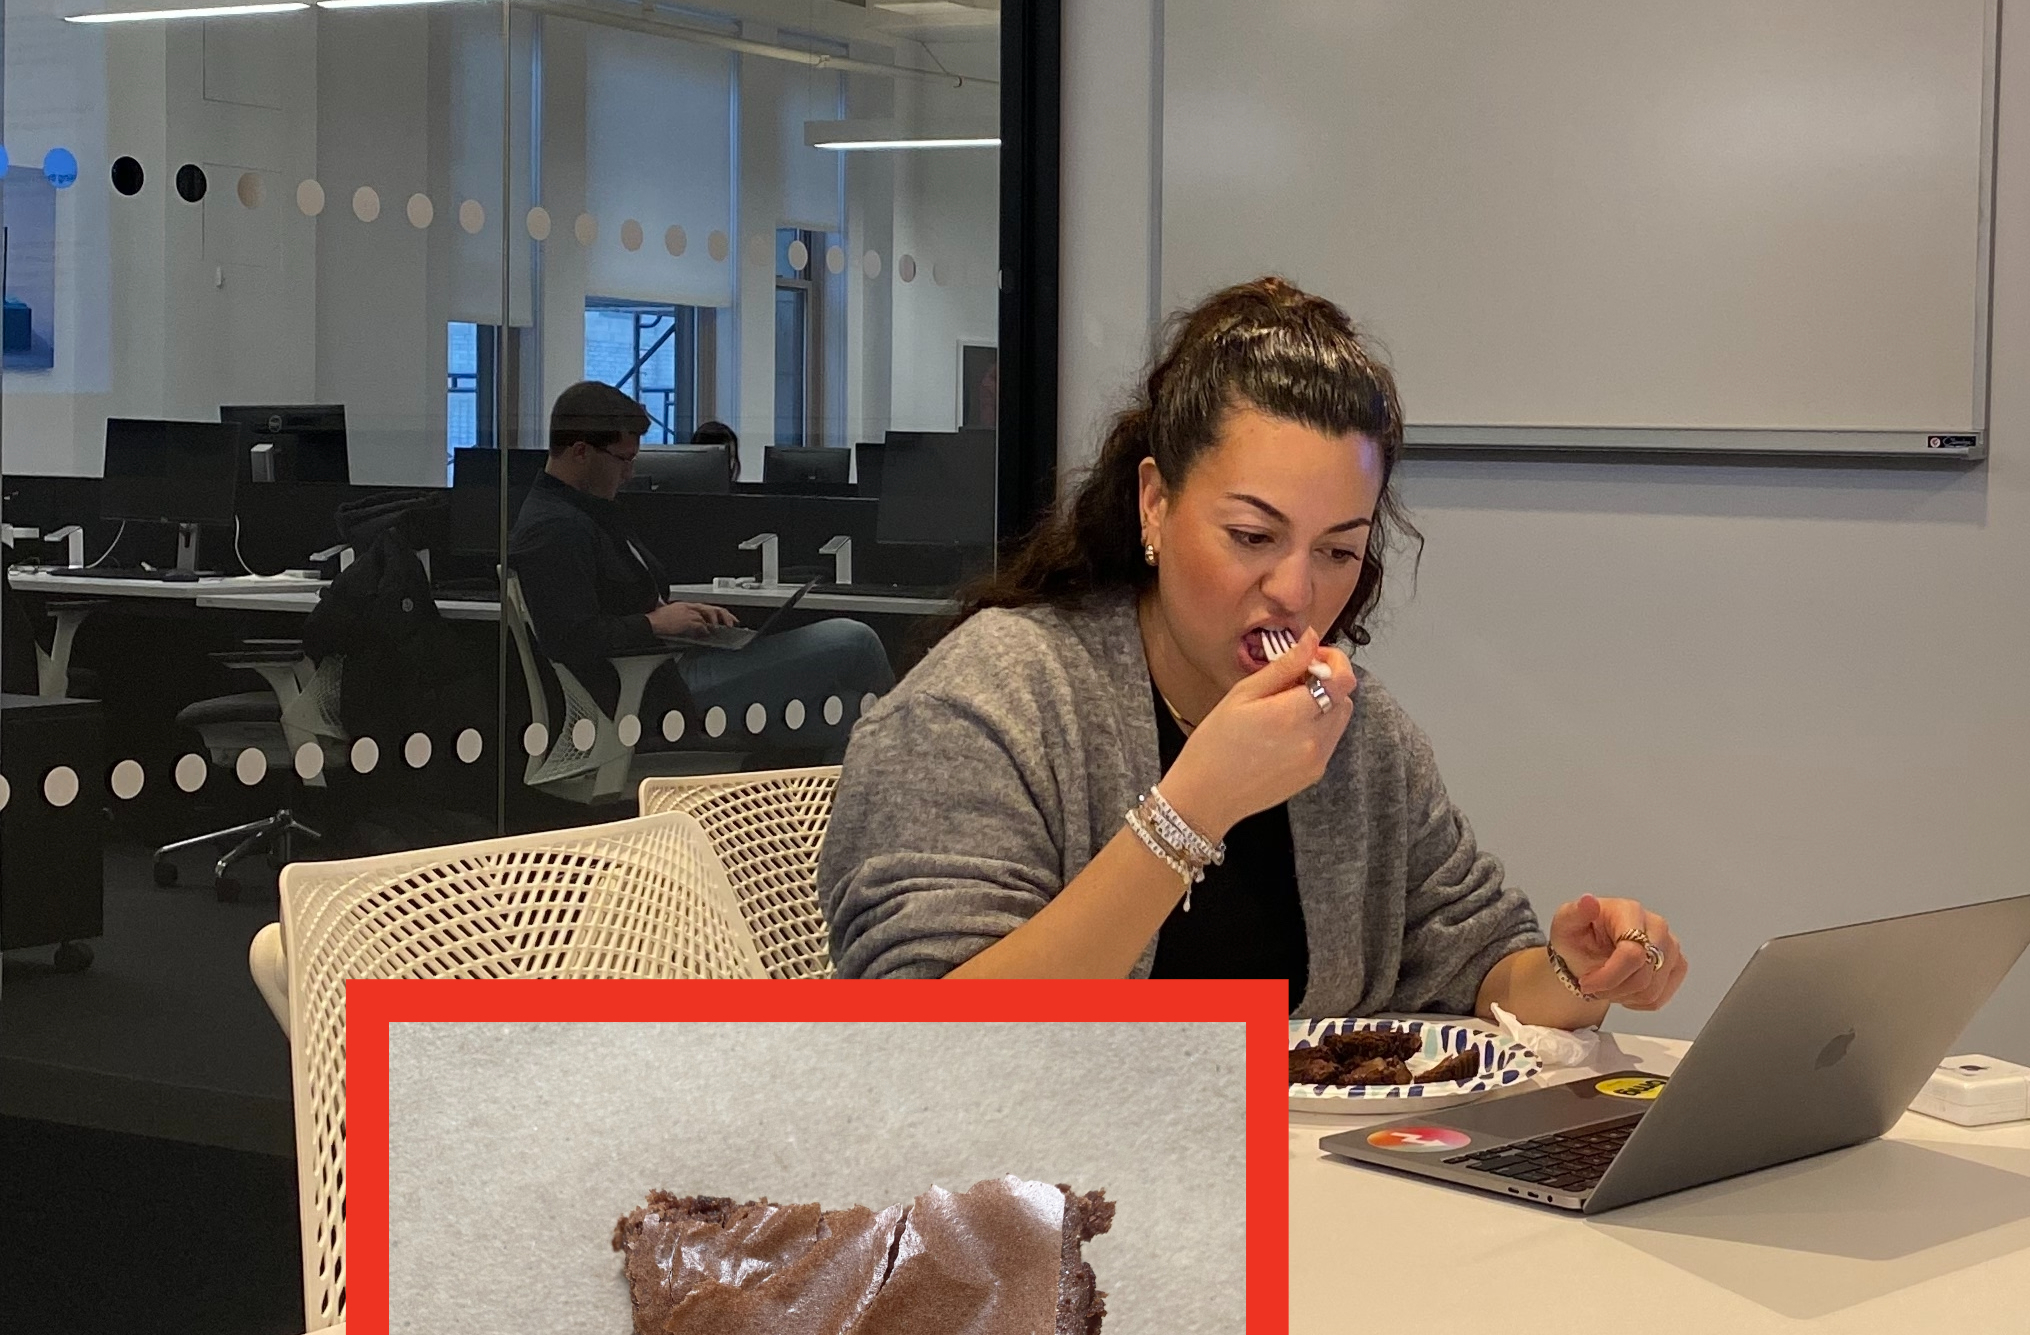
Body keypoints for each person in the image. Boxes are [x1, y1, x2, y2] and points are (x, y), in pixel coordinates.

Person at [819, 277, 1687, 1019]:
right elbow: (928, 1040)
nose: (1296, 592)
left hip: (1302, 1196)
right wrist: (1191, 811)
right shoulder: (993, 698)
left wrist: (1579, 974)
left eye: (1339, 551)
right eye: (1251, 535)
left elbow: (1474, 963)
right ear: (1154, 504)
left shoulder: (1355, 733)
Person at [510, 379, 888, 759]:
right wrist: (656, 624)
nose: (629, 473)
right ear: (580, 452)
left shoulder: (585, 510)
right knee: (857, 641)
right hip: (652, 691)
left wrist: (678, 614)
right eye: (624, 459)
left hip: (667, 668)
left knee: (855, 710)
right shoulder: (554, 528)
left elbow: (611, 601)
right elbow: (569, 638)